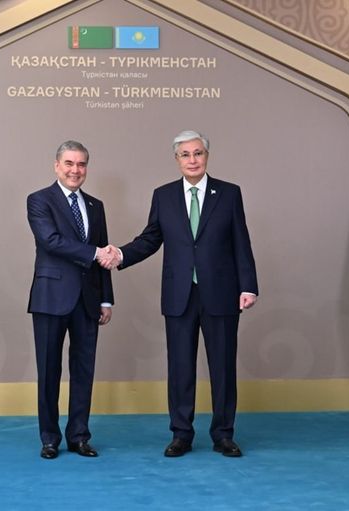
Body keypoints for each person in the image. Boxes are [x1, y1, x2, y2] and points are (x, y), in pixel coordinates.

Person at [102, 130, 258, 457]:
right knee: (180, 368)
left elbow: (240, 241)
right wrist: (122, 255)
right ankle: (181, 434)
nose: (192, 160)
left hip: (222, 293)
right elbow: (150, 238)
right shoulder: (164, 196)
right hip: (179, 295)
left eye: (198, 153)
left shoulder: (229, 193)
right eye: (185, 154)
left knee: (223, 368)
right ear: (177, 160)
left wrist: (248, 286)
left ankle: (223, 435)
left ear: (207, 156)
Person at [27, 140, 116, 459]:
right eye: (69, 163)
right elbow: (50, 241)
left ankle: (79, 436)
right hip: (51, 298)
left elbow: (103, 254)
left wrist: (106, 300)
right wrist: (95, 252)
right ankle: (49, 438)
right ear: (56, 165)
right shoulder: (39, 200)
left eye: (81, 164)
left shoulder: (96, 205)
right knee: (48, 370)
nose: (75, 170)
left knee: (83, 371)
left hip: (88, 300)